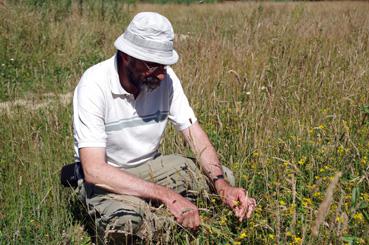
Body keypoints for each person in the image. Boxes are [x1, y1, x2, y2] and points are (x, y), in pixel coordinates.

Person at [73, 12, 256, 243]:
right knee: (125, 224)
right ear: (127, 57)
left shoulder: (167, 79)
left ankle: (161, 215)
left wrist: (221, 184)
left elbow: (195, 135)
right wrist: (167, 196)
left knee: (223, 178)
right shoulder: (94, 84)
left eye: (164, 65)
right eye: (153, 65)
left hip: (152, 170)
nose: (161, 74)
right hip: (108, 181)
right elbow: (94, 171)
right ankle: (154, 217)